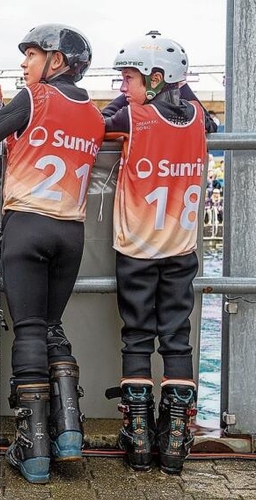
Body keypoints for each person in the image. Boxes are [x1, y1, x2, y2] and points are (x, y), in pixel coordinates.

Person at [0, 24, 105, 484]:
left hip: (27, 224)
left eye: (31, 54)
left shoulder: (34, 97)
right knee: (51, 326)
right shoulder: (97, 116)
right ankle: (67, 435)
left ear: (57, 61)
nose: (24, 62)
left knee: (27, 327)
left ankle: (34, 449)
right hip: (72, 233)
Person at [102, 31, 217, 475]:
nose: (122, 88)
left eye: (128, 78)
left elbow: (102, 122)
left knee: (136, 335)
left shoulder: (134, 118)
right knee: (176, 337)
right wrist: (173, 86)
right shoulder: (199, 119)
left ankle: (138, 436)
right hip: (182, 247)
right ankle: (174, 438)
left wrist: (130, 102)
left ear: (155, 78)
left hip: (137, 248)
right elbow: (192, 109)